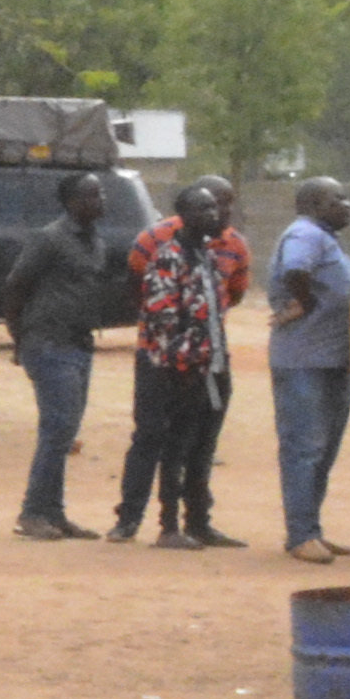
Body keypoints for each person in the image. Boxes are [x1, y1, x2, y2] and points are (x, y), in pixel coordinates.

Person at [0, 171, 138, 541]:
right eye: (92, 195)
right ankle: (32, 512)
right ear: (72, 202)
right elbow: (16, 285)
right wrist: (20, 337)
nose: (101, 201)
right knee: (57, 429)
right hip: (49, 342)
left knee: (66, 430)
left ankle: (53, 512)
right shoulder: (49, 239)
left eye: (101, 194)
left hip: (78, 343)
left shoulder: (95, 241)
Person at [113, 179, 252, 548]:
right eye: (206, 207)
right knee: (163, 441)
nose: (216, 214)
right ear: (184, 215)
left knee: (199, 444)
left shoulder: (209, 255)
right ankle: (155, 523)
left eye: (218, 206)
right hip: (173, 368)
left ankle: (197, 522)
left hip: (208, 365)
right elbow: (160, 317)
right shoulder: (166, 255)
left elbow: (225, 301)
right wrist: (183, 366)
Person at [264, 176, 350, 564]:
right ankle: (300, 534)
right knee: (304, 448)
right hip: (303, 360)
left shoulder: (326, 238)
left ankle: (311, 529)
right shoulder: (304, 233)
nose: (347, 205)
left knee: (323, 450)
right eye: (338, 199)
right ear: (313, 204)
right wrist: (304, 302)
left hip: (332, 360)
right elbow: (295, 270)